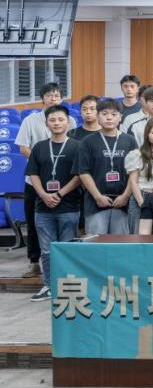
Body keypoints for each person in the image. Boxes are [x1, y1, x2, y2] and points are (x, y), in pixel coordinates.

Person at [26, 105, 81, 302]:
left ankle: (67, 287)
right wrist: (43, 195)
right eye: (52, 120)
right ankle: (49, 286)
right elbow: (32, 174)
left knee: (67, 249)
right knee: (47, 251)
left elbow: (80, 175)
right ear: (46, 123)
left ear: (68, 122)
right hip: (43, 208)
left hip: (69, 206)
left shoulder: (77, 146)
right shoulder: (39, 147)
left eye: (60, 119)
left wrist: (58, 193)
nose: (57, 123)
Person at [75, 98, 136, 235]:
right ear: (97, 116)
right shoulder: (87, 142)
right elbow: (83, 172)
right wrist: (97, 197)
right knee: (96, 243)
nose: (109, 117)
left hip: (123, 204)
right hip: (95, 203)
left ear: (121, 117)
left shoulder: (130, 141)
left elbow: (135, 172)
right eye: (104, 114)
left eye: (114, 114)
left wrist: (125, 196)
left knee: (119, 244)